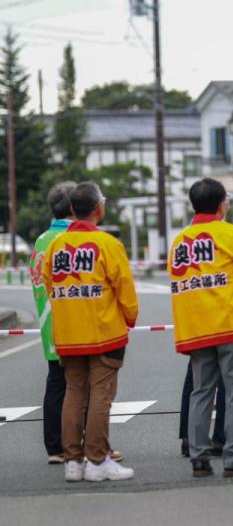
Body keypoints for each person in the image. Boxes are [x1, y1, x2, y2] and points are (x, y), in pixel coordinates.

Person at [169, 178, 233, 478]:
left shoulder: (180, 243)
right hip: (229, 323)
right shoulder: (232, 235)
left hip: (196, 327)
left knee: (201, 391)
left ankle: (199, 457)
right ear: (222, 205)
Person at [43, 182, 138, 482]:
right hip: (103, 332)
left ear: (72, 210)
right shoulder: (108, 245)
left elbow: (49, 286)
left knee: (73, 393)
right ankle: (97, 460)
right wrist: (130, 318)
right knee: (101, 395)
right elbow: (125, 290)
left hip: (69, 333)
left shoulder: (56, 246)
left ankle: (73, 461)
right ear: (99, 208)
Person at [29, 182, 74, 465]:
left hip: (48, 320)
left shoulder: (42, 239)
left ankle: (54, 446)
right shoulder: (74, 239)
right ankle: (85, 445)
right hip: (75, 319)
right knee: (83, 385)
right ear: (74, 206)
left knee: (56, 382)